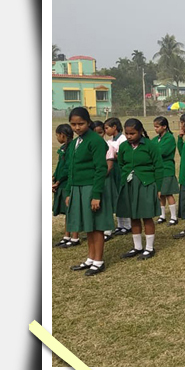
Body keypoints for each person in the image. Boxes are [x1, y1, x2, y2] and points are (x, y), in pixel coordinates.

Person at [65, 107, 112, 276]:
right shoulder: (75, 142)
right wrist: (69, 192)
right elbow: (71, 169)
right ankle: (91, 258)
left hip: (91, 188)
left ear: (88, 122)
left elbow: (101, 169)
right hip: (77, 188)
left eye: (81, 124)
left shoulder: (95, 141)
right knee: (88, 225)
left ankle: (98, 261)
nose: (77, 127)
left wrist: (96, 195)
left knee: (96, 226)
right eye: (73, 124)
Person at [116, 118, 163, 261]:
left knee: (146, 216)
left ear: (140, 131)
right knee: (133, 216)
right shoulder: (123, 146)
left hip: (146, 184)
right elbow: (121, 164)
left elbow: (158, 166)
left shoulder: (150, 145)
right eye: (127, 133)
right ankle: (137, 247)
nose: (129, 136)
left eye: (132, 133)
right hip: (129, 185)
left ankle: (149, 248)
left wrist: (159, 187)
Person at [53, 124, 80, 247]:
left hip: (68, 183)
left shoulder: (71, 148)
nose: (57, 137)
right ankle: (66, 236)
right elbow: (60, 165)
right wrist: (54, 177)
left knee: (72, 210)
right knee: (67, 211)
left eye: (57, 135)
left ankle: (75, 237)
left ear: (62, 135)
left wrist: (59, 181)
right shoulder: (63, 148)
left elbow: (68, 167)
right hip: (61, 183)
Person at [104, 117, 131, 236]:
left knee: (123, 196)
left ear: (114, 127)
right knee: (117, 197)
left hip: (120, 170)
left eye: (107, 128)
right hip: (113, 171)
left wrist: (115, 155)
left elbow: (122, 155)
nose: (106, 131)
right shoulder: (111, 140)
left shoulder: (123, 139)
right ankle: (120, 225)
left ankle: (128, 225)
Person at [152, 116, 179, 226]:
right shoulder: (156, 139)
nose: (155, 129)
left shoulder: (169, 138)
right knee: (160, 193)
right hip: (158, 170)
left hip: (167, 169)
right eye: (154, 127)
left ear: (164, 126)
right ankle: (162, 215)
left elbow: (160, 151)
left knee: (168, 193)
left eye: (157, 127)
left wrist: (153, 151)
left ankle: (173, 217)